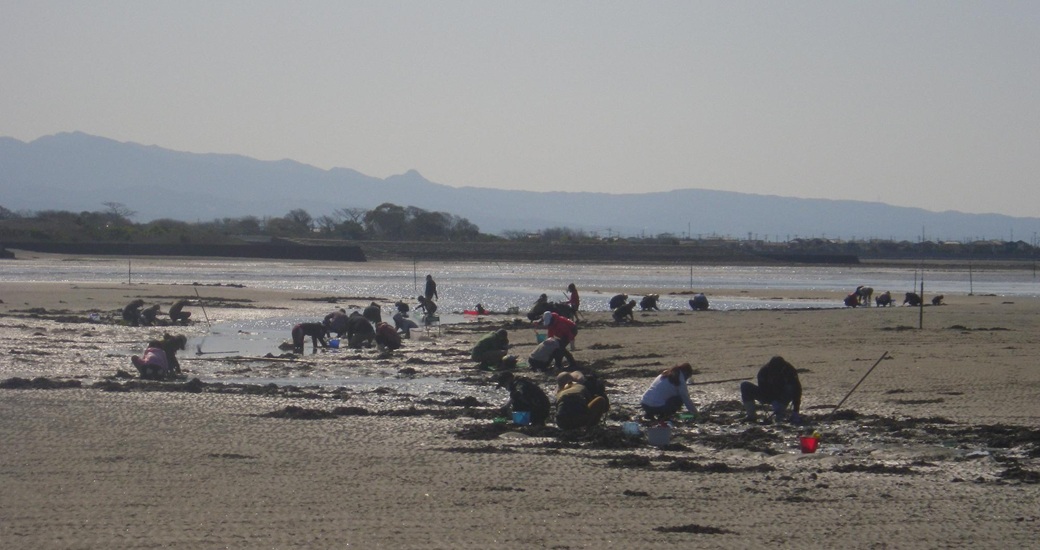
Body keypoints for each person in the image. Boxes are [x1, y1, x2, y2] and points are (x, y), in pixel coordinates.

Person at [740, 356, 802, 423]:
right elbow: (763, 390)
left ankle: (780, 415)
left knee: (791, 387)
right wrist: (773, 401)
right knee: (745, 385)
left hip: (783, 396)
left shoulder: (790, 371)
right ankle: (751, 416)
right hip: (767, 395)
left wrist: (796, 411)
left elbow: (797, 390)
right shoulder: (763, 372)